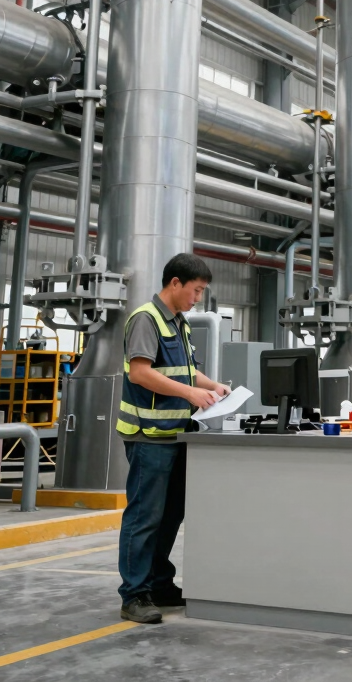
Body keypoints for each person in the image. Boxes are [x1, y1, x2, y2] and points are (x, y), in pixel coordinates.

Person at [115, 253, 231, 624]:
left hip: (176, 436)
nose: (198, 298)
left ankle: (159, 583)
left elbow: (187, 371)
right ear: (175, 283)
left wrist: (214, 387)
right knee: (145, 515)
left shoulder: (178, 323)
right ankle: (134, 594)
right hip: (149, 435)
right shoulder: (146, 320)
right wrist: (189, 395)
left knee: (170, 516)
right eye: (196, 291)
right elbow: (140, 374)